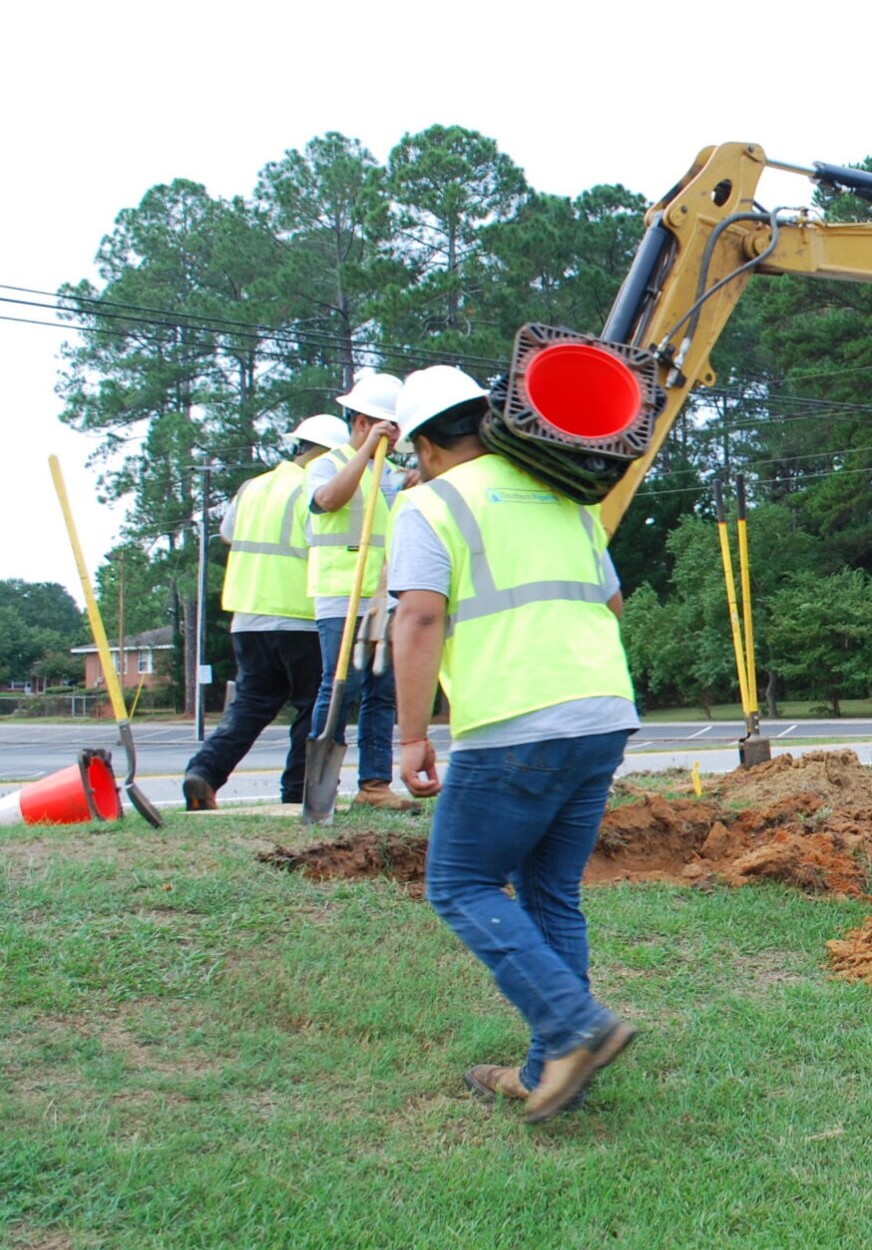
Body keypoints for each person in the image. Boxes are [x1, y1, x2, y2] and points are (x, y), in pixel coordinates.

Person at [388, 365, 641, 1123]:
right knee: (549, 891)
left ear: (428, 445)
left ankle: (576, 1026)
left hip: (515, 718)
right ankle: (549, 1072)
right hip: (601, 711)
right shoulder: (564, 496)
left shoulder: (428, 504)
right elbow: (612, 600)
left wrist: (409, 736)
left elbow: (419, 620)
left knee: (459, 884)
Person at [181, 417, 347, 810]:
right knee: (313, 706)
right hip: (301, 614)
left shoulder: (253, 487)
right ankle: (299, 792)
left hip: (249, 614)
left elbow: (228, 533)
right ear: (326, 454)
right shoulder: (315, 489)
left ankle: (205, 771)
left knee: (252, 703)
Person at [305, 371, 415, 812]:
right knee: (339, 688)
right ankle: (318, 786)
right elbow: (328, 500)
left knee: (381, 690)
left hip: (382, 596)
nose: (394, 437)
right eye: (386, 428)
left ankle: (374, 785)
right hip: (339, 594)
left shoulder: (390, 473)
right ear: (361, 422)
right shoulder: (326, 463)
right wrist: (367, 451)